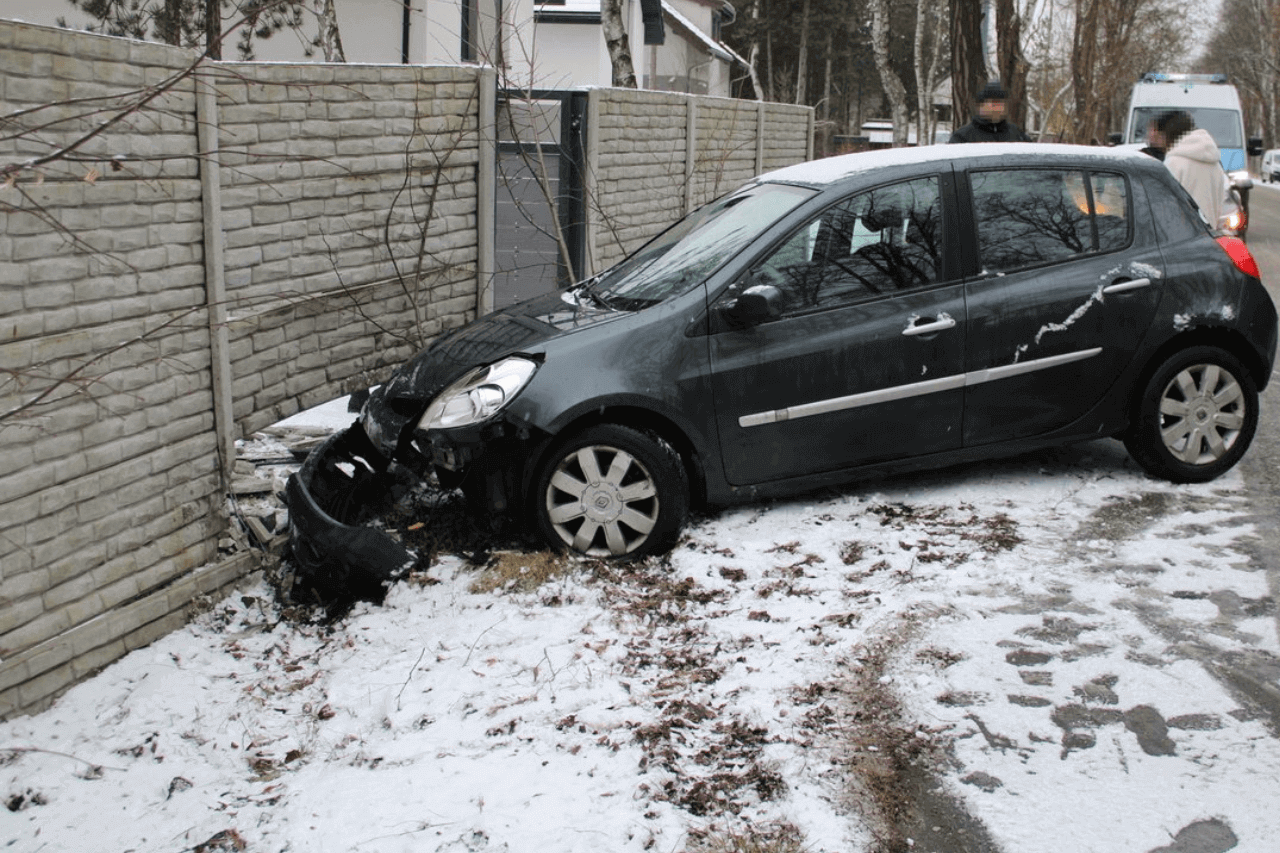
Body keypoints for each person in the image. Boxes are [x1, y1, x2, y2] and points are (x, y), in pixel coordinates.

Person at [1159, 110, 1227, 227]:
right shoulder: (1216, 165)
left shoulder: (1174, 163)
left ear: (1170, 134)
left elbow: (1164, 206)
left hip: (1181, 237)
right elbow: (1221, 204)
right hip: (1209, 236)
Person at [948, 80, 1031, 143]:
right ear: (981, 106)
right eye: (994, 102)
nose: (998, 107)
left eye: (1002, 103)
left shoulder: (1018, 136)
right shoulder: (962, 137)